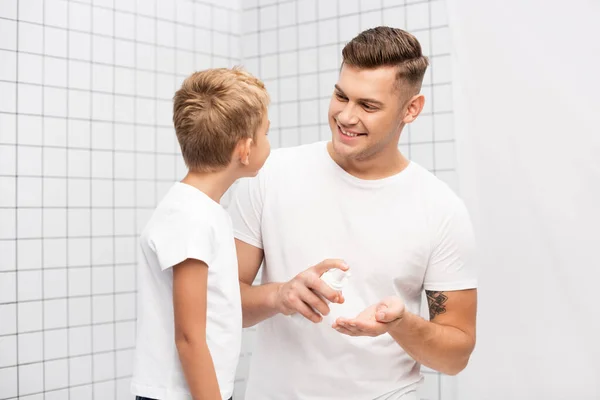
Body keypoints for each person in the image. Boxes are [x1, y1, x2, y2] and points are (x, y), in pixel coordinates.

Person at [227, 27, 477, 400]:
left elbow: (455, 356)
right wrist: (279, 296)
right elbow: (220, 307)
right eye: (340, 96)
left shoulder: (440, 209)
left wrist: (401, 324)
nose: (345, 116)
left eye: (368, 105)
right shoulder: (268, 175)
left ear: (412, 109)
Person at [130, 67, 271, 400]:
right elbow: (190, 338)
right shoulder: (191, 217)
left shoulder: (202, 209)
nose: (269, 142)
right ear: (245, 149)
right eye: (266, 133)